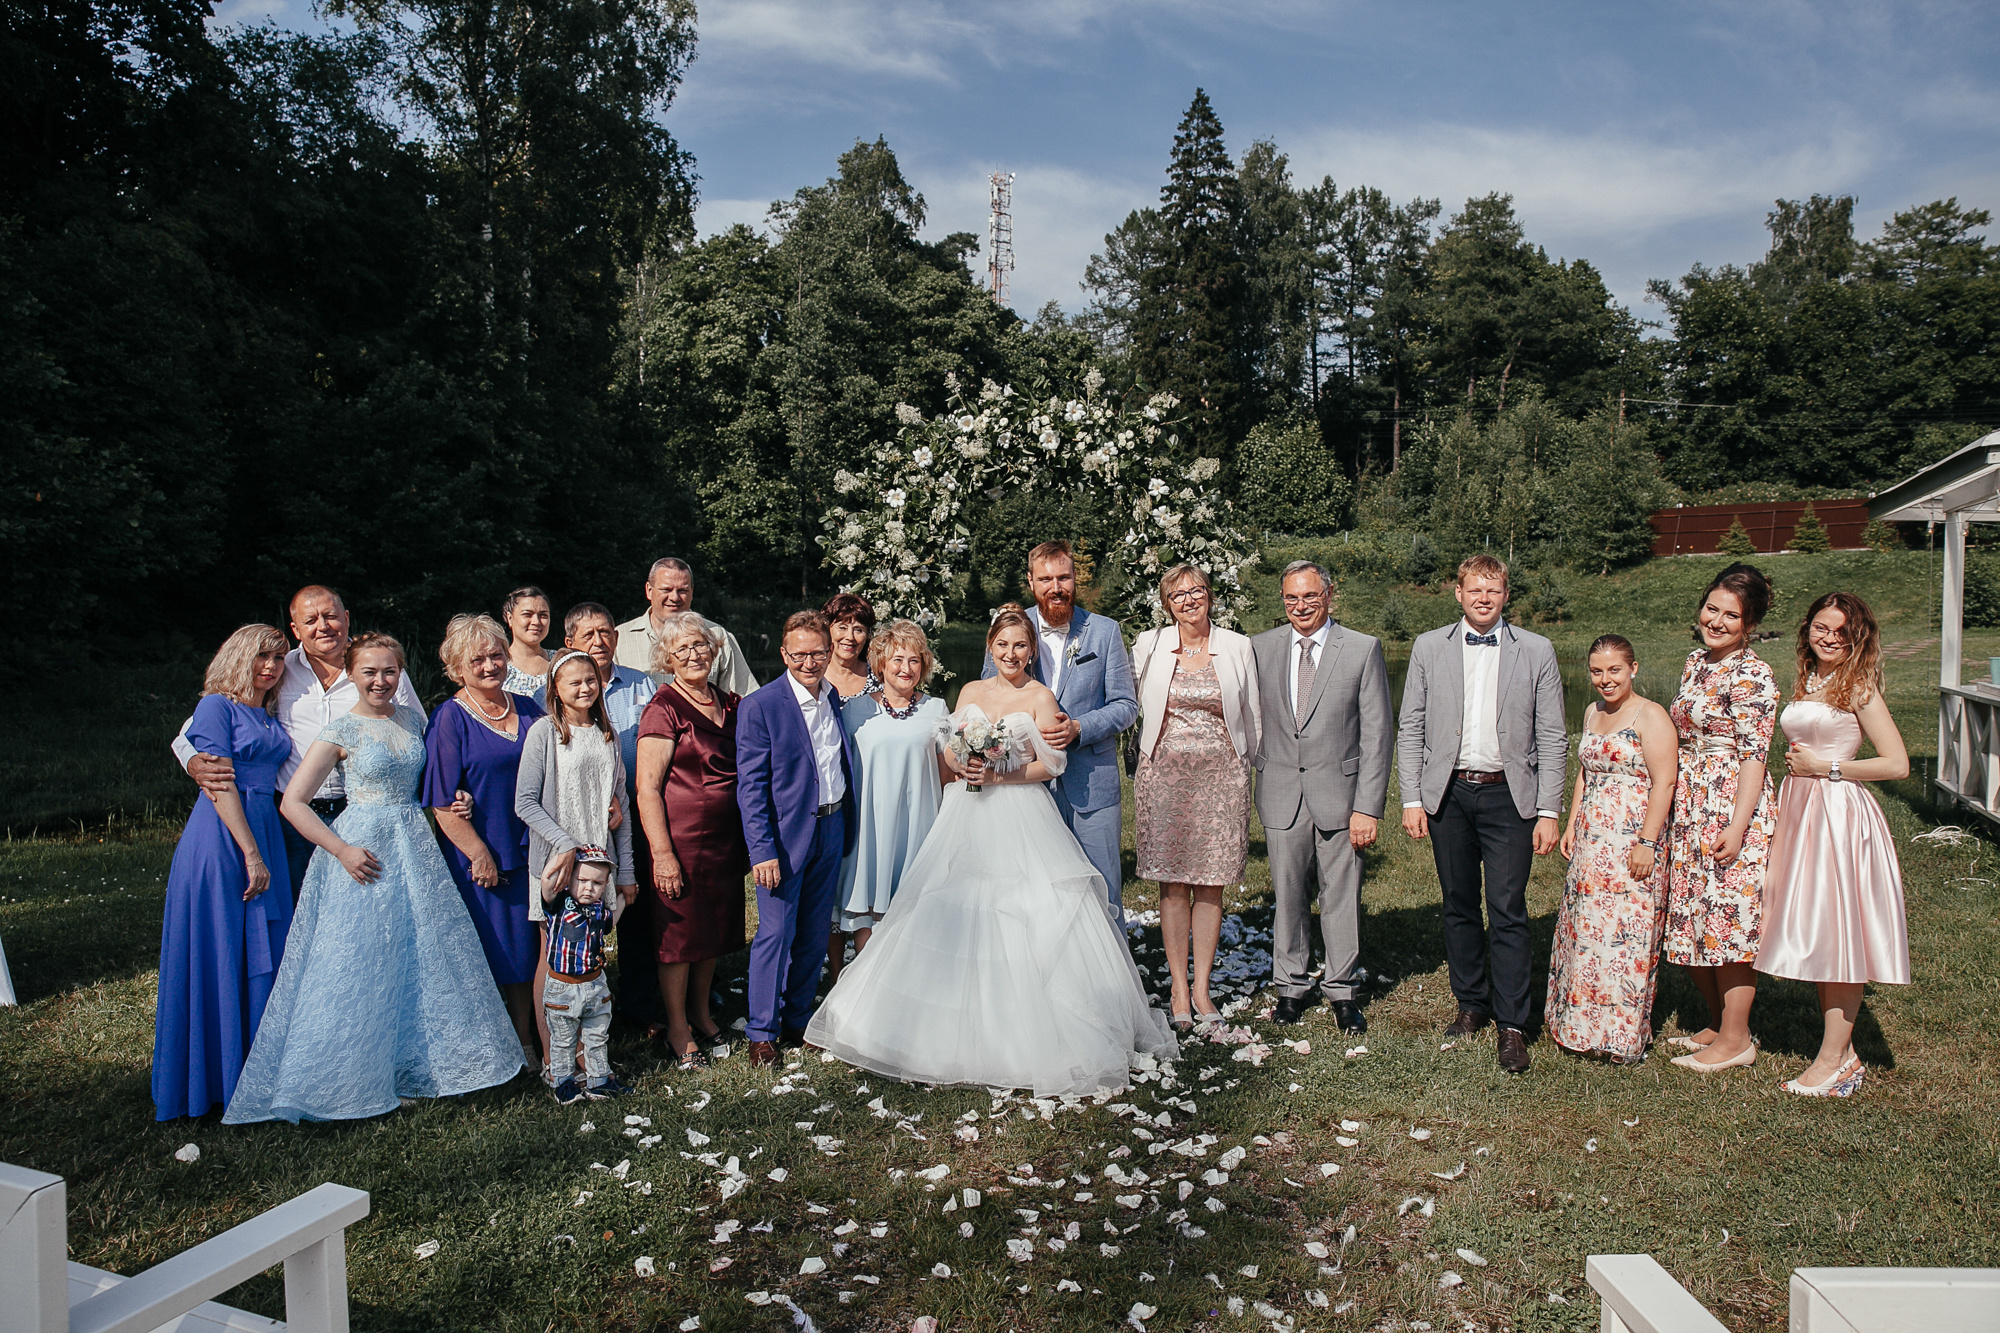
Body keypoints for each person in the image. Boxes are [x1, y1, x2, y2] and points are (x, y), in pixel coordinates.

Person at [805, 605, 1177, 1094]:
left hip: (1021, 812)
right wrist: (965, 764)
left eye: (1020, 646)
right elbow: (951, 749)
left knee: (1022, 910)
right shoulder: (971, 693)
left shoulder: (1041, 697)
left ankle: (1023, 1029)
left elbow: (1053, 765)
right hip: (967, 809)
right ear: (990, 648)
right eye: (1002, 645)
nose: (1011, 654)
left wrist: (1002, 773)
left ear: (1031, 651)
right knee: (948, 905)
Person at [225, 633, 523, 1122]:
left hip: (413, 840)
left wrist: (459, 799)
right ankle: (351, 1075)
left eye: (389, 672)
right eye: (369, 672)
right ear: (352, 675)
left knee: (419, 950)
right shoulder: (343, 729)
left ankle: (414, 1062)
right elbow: (293, 802)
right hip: (364, 846)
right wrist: (341, 849)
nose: (380, 681)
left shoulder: (411, 718)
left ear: (400, 674)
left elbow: (435, 781)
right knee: (361, 956)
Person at [1398, 554, 1566, 1074]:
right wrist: (1411, 799)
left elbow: (1554, 735)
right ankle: (1471, 1002)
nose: (1484, 599)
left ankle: (1513, 1024)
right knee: (1459, 903)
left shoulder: (1537, 650)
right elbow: (1411, 726)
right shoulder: (1429, 646)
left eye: (1493, 590)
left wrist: (1548, 811)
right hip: (1448, 793)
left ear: (1506, 595)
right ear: (1459, 594)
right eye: (1475, 590)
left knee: (1508, 907)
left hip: (1508, 796)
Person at [173, 585, 425, 898]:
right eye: (311, 620)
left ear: (346, 618)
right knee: (299, 903)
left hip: (361, 810)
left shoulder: (377, 670)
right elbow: (198, 725)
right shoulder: (279, 667)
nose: (323, 626)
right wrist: (193, 761)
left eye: (331, 616)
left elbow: (417, 733)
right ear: (296, 629)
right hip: (292, 815)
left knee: (367, 901)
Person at [1756, 592, 1911, 1097]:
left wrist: (1828, 768)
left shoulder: (1858, 685)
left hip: (1837, 812)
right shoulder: (1809, 677)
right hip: (1802, 808)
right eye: (1821, 627)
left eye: (1840, 632)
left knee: (1840, 932)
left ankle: (1831, 1060)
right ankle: (1842, 1053)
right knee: (1822, 930)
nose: (1828, 637)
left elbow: (1896, 763)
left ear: (1856, 637)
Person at [152, 624, 298, 1120]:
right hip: (223, 838)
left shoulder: (268, 710)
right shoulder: (217, 705)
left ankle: (255, 1073)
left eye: (277, 659)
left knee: (266, 948)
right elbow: (218, 785)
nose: (271, 667)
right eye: (261, 657)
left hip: (265, 832)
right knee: (220, 947)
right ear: (237, 657)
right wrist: (250, 853)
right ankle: (211, 1080)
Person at [1250, 561, 1392, 1033]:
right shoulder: (1261, 648)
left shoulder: (1362, 648)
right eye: (1291, 598)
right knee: (1287, 894)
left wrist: (1368, 806)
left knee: (1341, 895)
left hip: (1341, 794)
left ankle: (1343, 989)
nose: (1301, 607)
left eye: (1310, 597)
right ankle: (1290, 986)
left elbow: (1377, 734)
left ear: (1329, 595)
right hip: (1282, 792)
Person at [1132, 564, 1263, 1031]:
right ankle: (1178, 989)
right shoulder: (1148, 645)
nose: (1189, 600)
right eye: (1178, 594)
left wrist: (1248, 767)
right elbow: (1132, 704)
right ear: (1167, 604)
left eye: (1197, 591)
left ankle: (1203, 987)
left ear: (1210, 595)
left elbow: (1252, 713)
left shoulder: (1237, 646)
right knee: (1172, 882)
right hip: (1163, 777)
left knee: (1211, 880)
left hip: (1222, 778)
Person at [979, 541, 1138, 914]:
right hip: (1027, 788)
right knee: (1034, 895)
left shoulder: (1104, 631)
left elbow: (1126, 705)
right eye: (1046, 579)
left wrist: (1080, 727)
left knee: (1102, 892)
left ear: (1075, 578)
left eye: (1064, 577)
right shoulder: (1008, 633)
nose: (1056, 587)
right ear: (1031, 582)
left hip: (1090, 785)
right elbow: (987, 698)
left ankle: (1110, 972)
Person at [1664, 562, 1780, 1073]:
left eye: (1730, 615)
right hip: (1690, 803)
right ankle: (1718, 1022)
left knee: (1730, 922)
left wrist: (1738, 824)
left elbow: (1756, 754)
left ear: (1749, 624)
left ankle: (1736, 1041)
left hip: (1731, 803)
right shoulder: (1696, 662)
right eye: (1712, 608)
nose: (1716, 621)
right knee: (1694, 914)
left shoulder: (1753, 673)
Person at [735, 611, 860, 1067]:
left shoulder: (835, 699)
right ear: (784, 654)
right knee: (775, 932)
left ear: (830, 653)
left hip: (832, 827)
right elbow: (750, 786)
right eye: (800, 654)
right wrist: (762, 850)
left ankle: (798, 1016)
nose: (810, 662)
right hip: (785, 838)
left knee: (812, 932)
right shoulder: (762, 705)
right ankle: (761, 1031)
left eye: (818, 653)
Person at [423, 613, 546, 1067]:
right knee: (505, 954)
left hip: (538, 847)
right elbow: (440, 801)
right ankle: (510, 1044)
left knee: (538, 950)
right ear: (458, 669)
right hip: (489, 854)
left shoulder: (530, 708)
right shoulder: (449, 719)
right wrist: (477, 852)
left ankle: (540, 1035)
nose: (490, 665)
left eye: (497, 655)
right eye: (478, 660)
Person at [1549, 635, 1677, 1064]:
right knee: (1587, 931)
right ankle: (1577, 1028)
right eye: (1597, 671)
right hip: (1591, 838)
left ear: (1633, 669)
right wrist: (1571, 825)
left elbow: (1666, 782)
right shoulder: (1591, 711)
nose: (1605, 680)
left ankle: (1619, 1038)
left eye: (1614, 670)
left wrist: (1646, 841)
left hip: (1631, 840)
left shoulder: (1650, 715)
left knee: (1627, 937)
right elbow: (1585, 773)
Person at [516, 648, 638, 1080]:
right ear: (555, 689)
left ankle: (589, 1052)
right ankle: (554, 1057)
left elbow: (618, 805)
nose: (585, 688)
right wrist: (565, 845)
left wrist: (626, 872)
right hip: (556, 862)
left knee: (589, 955)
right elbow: (525, 802)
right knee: (554, 957)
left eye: (591, 680)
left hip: (597, 863)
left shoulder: (608, 734)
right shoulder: (544, 733)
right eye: (574, 682)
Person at [635, 612, 749, 1071]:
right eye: (681, 649)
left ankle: (703, 1014)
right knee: (680, 938)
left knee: (714, 931)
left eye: (699, 645)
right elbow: (647, 788)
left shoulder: (733, 703)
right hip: (679, 840)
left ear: (715, 648)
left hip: (725, 840)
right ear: (667, 658)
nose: (693, 655)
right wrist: (662, 854)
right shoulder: (662, 708)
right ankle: (678, 1029)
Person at [828, 620, 951, 988]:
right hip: (870, 825)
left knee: (913, 914)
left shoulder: (938, 709)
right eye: (897, 659)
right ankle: (861, 990)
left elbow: (949, 771)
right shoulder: (852, 711)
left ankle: (908, 989)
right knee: (868, 909)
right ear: (880, 663)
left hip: (919, 824)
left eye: (915, 660)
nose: (905, 668)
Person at [568, 600, 668, 1029]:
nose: (599, 641)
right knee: (581, 911)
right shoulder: (551, 693)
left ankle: (641, 1006)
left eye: (606, 632)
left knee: (637, 911)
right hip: (579, 821)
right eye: (588, 635)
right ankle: (577, 1009)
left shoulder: (644, 687)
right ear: (569, 643)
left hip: (636, 815)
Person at [540, 846, 633, 1102]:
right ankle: (563, 1084)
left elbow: (610, 922)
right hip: (563, 988)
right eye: (581, 880)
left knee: (597, 1036)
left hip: (595, 986)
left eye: (597, 882)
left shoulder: (599, 909)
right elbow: (546, 885)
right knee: (563, 1041)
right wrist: (561, 860)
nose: (588, 888)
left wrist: (624, 897)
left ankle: (599, 1080)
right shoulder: (559, 904)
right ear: (568, 878)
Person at [617, 557, 759, 695]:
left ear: (692, 592)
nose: (674, 597)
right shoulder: (619, 639)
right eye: (666, 590)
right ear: (649, 590)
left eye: (682, 590)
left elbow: (745, 698)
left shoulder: (717, 636)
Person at [821, 592, 878, 700]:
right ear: (827, 630)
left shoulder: (880, 678)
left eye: (858, 630)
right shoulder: (814, 676)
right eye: (842, 627)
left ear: (867, 636)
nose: (850, 637)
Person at [501, 585, 555, 697]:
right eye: (527, 615)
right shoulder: (499, 666)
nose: (536, 621)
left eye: (543, 615)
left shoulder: (560, 662)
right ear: (510, 618)